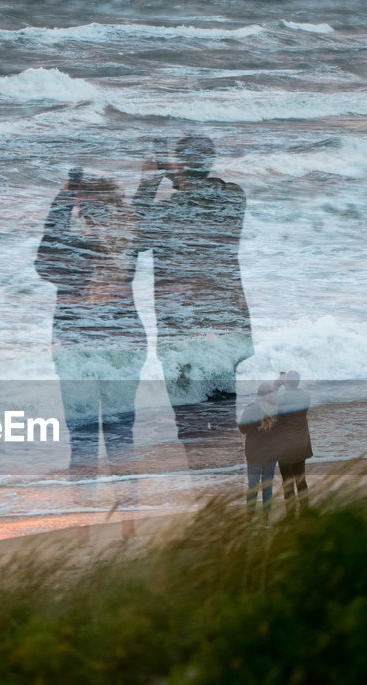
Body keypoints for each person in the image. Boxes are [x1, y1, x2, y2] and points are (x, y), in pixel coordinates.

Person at [134, 134, 253, 469]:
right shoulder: (233, 198)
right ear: (210, 162)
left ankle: (208, 496)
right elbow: (202, 192)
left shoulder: (166, 212)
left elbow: (133, 237)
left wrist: (148, 182)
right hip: (227, 326)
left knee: (190, 427)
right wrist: (178, 173)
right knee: (225, 420)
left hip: (181, 330)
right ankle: (235, 498)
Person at [36, 168, 146, 474]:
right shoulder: (128, 244)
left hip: (78, 348)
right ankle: (128, 519)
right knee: (121, 437)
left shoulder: (73, 251)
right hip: (127, 345)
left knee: (83, 441)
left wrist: (64, 196)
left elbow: (44, 261)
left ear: (81, 211)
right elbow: (138, 211)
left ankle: (87, 519)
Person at [272, 370, 313, 513]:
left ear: (286, 382)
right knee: (300, 478)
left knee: (287, 481)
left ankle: (290, 513)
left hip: (285, 444)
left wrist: (276, 386)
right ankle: (305, 510)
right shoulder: (305, 396)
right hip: (301, 442)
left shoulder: (281, 397)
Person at [238, 382, 279, 520]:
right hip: (271, 453)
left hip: (254, 452)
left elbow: (243, 430)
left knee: (253, 485)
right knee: (267, 484)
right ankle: (266, 517)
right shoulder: (276, 410)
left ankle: (250, 515)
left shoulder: (251, 409)